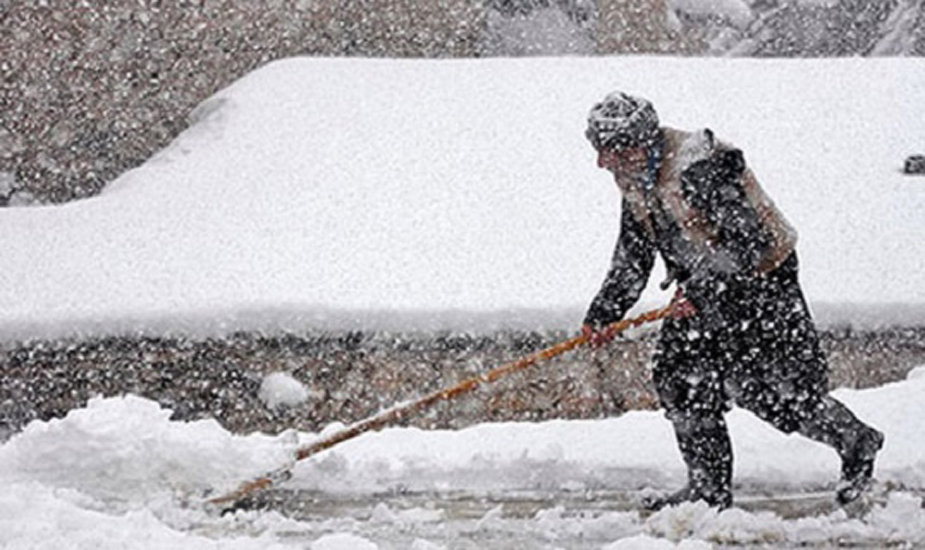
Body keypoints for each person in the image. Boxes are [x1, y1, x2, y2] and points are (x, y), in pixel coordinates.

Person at [580, 91, 884, 510]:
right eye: (599, 151)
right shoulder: (634, 177)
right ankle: (707, 490)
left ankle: (855, 440)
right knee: (680, 376)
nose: (603, 163)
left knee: (771, 388)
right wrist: (603, 313)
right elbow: (633, 254)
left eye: (612, 151)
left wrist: (703, 289)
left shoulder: (702, 166)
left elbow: (749, 243)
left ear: (642, 142)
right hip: (701, 290)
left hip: (761, 282)